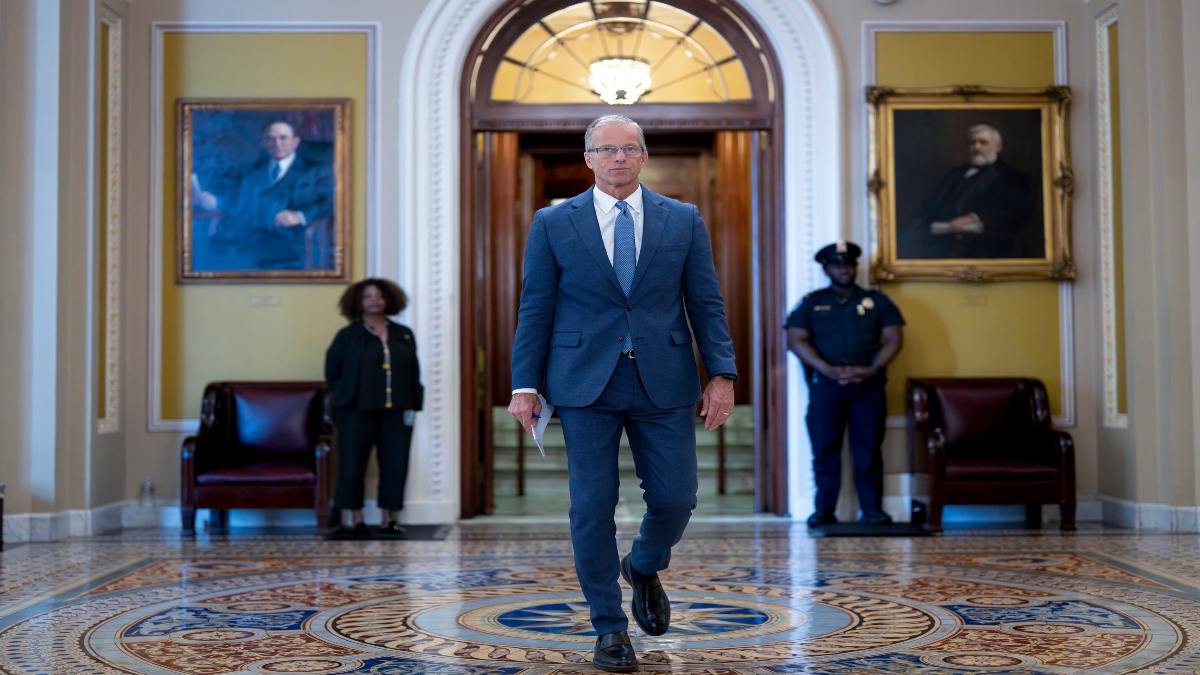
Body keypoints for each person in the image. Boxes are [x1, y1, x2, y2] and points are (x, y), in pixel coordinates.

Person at [508, 115, 737, 673]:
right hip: (584, 380)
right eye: (606, 149)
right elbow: (536, 305)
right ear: (588, 158)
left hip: (665, 378)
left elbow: (705, 301)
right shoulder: (553, 221)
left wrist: (722, 374)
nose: (618, 158)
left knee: (677, 497)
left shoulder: (682, 219)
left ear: (643, 155)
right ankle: (609, 629)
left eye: (628, 148)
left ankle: (643, 563)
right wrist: (524, 383)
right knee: (591, 508)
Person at [785, 241, 904, 528]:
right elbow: (795, 339)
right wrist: (828, 369)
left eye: (849, 264)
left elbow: (894, 339)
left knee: (869, 449)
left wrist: (872, 369)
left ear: (855, 267)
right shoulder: (812, 302)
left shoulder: (878, 302)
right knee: (825, 450)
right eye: (837, 264)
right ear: (826, 268)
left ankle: (873, 511)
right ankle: (824, 511)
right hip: (826, 386)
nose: (844, 269)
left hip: (868, 386)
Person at [324, 278, 423, 538]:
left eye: (379, 295)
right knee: (352, 464)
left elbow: (413, 371)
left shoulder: (404, 333)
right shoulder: (347, 336)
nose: (374, 300)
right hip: (356, 411)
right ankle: (356, 520)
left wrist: (414, 401)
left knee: (395, 464)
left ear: (389, 299)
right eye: (368, 296)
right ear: (357, 302)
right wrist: (346, 396)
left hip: (398, 411)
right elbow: (332, 372)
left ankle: (388, 519)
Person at [198, 120, 333, 270]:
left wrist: (300, 215)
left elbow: (330, 203)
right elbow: (243, 204)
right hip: (247, 237)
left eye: (283, 138)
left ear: (295, 142)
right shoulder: (254, 170)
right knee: (204, 250)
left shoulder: (315, 172)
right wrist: (216, 201)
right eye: (270, 138)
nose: (277, 143)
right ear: (263, 143)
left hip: (287, 243)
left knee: (236, 263)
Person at [899, 123, 1040, 260]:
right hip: (942, 233)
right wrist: (918, 221)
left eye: (983, 142)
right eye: (972, 143)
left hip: (986, 237)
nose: (976, 147)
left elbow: (1018, 211)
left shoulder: (1014, 176)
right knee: (906, 238)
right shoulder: (955, 172)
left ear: (998, 146)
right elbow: (934, 201)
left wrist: (973, 217)